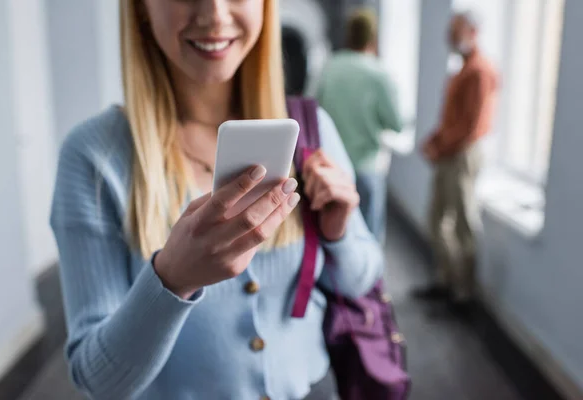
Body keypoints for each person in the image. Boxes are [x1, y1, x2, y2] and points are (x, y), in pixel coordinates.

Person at [49, 0, 383, 399]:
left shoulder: (310, 131)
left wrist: (338, 234)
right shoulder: (94, 157)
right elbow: (98, 379)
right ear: (140, 8)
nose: (214, 14)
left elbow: (362, 280)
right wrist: (172, 279)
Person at [415, 11, 499, 309]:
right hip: (450, 152)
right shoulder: (463, 69)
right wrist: (434, 140)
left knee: (463, 220)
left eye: (456, 31)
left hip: (462, 155)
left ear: (473, 32)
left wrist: (442, 146)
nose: (450, 37)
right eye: (450, 30)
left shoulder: (480, 71)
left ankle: (463, 291)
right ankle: (445, 279)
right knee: (437, 218)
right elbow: (452, 119)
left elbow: (471, 126)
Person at [316, 8, 403, 242]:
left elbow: (311, 110)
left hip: (332, 165)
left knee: (334, 235)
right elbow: (396, 124)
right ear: (373, 37)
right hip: (367, 166)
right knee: (369, 238)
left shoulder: (330, 67)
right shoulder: (379, 74)